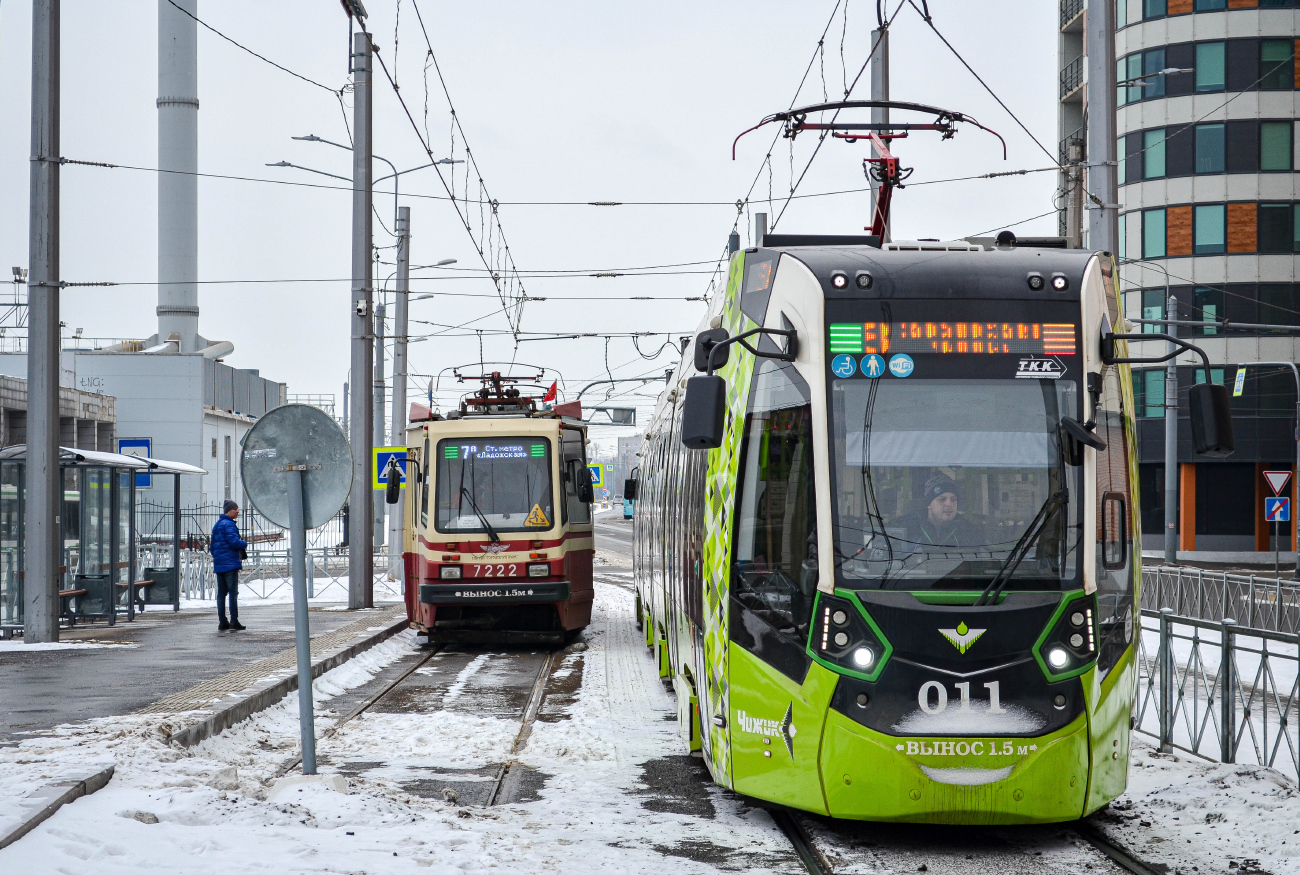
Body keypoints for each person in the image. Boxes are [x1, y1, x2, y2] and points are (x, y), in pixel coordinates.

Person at [900, 475, 985, 549]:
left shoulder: (969, 531)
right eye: (942, 499)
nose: (949, 504)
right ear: (928, 504)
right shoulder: (907, 528)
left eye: (953, 499)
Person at [210, 500, 248, 631]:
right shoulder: (229, 524)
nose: (237, 511)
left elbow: (212, 547)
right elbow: (234, 542)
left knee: (221, 594)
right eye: (235, 509)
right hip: (230, 564)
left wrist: (218, 558)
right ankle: (234, 621)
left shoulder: (218, 524)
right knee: (233, 593)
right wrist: (244, 543)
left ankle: (222, 621)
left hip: (220, 564)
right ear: (229, 511)